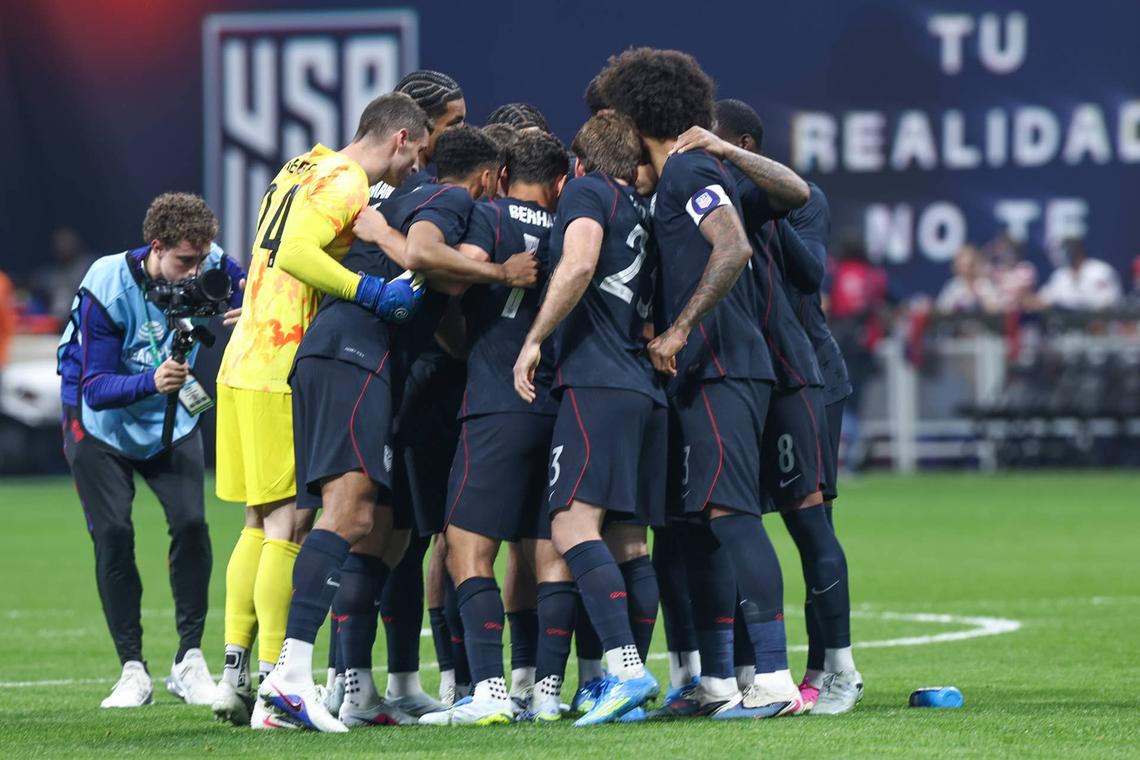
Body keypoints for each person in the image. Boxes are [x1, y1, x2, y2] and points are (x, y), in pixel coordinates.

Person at [258, 124, 539, 732]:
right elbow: (423, 256)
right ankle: (288, 679)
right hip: (353, 355)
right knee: (349, 514)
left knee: (379, 531)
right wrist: (502, 274)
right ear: (490, 178)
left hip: (348, 358)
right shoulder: (455, 200)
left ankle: (348, 691)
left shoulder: (400, 198)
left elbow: (432, 282)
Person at [211, 92, 429, 727]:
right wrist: (368, 289)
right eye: (417, 150)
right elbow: (298, 253)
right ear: (400, 138)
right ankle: (286, 681)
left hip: (244, 356)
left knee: (259, 520)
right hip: (282, 362)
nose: (416, 165)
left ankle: (235, 676)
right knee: (294, 526)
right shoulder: (348, 181)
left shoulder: (300, 167)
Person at [603, 47, 808, 719]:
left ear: (639, 116)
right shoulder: (677, 176)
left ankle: (774, 682)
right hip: (702, 374)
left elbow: (736, 244)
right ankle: (717, 680)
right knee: (696, 526)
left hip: (723, 366)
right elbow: (788, 195)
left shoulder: (692, 167)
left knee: (733, 518)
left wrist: (680, 328)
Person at [696, 97, 861, 714]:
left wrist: (762, 212)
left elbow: (811, 272)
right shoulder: (707, 200)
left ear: (742, 142)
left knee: (807, 520)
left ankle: (836, 668)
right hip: (744, 375)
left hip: (805, 375)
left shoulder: (797, 198)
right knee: (740, 521)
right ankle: (748, 670)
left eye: (710, 138)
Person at [56, 193, 244, 708]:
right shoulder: (107, 283)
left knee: (191, 525)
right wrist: (151, 380)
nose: (194, 272)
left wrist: (250, 301)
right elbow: (94, 385)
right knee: (114, 534)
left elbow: (246, 278)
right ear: (156, 248)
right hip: (98, 424)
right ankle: (132, 669)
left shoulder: (209, 259)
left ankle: (189, 661)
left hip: (170, 416)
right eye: (184, 261)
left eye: (201, 261)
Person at [513, 110, 663, 726]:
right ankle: (619, 686)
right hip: (641, 387)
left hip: (595, 382)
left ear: (579, 162)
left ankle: (625, 670)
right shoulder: (644, 209)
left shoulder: (587, 190)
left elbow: (576, 264)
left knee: (572, 527)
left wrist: (535, 338)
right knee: (627, 540)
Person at [418, 129, 568, 726]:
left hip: (496, 400)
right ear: (559, 182)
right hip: (556, 402)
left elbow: (454, 276)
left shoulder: (489, 214)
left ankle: (488, 692)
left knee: (465, 547)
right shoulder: (572, 225)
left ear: (502, 174)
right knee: (546, 550)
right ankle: (548, 692)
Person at [1035, 237, 1123, 311]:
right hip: (1067, 323)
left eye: (1072, 252)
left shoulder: (1100, 271)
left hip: (1099, 323)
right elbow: (1044, 299)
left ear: (1080, 253)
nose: (1069, 256)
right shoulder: (1061, 275)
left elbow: (1111, 301)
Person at [936, 244, 1001, 314]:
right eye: (962, 266)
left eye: (969, 265)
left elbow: (995, 309)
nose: (966, 270)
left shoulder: (985, 284)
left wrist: (980, 302)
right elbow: (942, 310)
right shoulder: (953, 286)